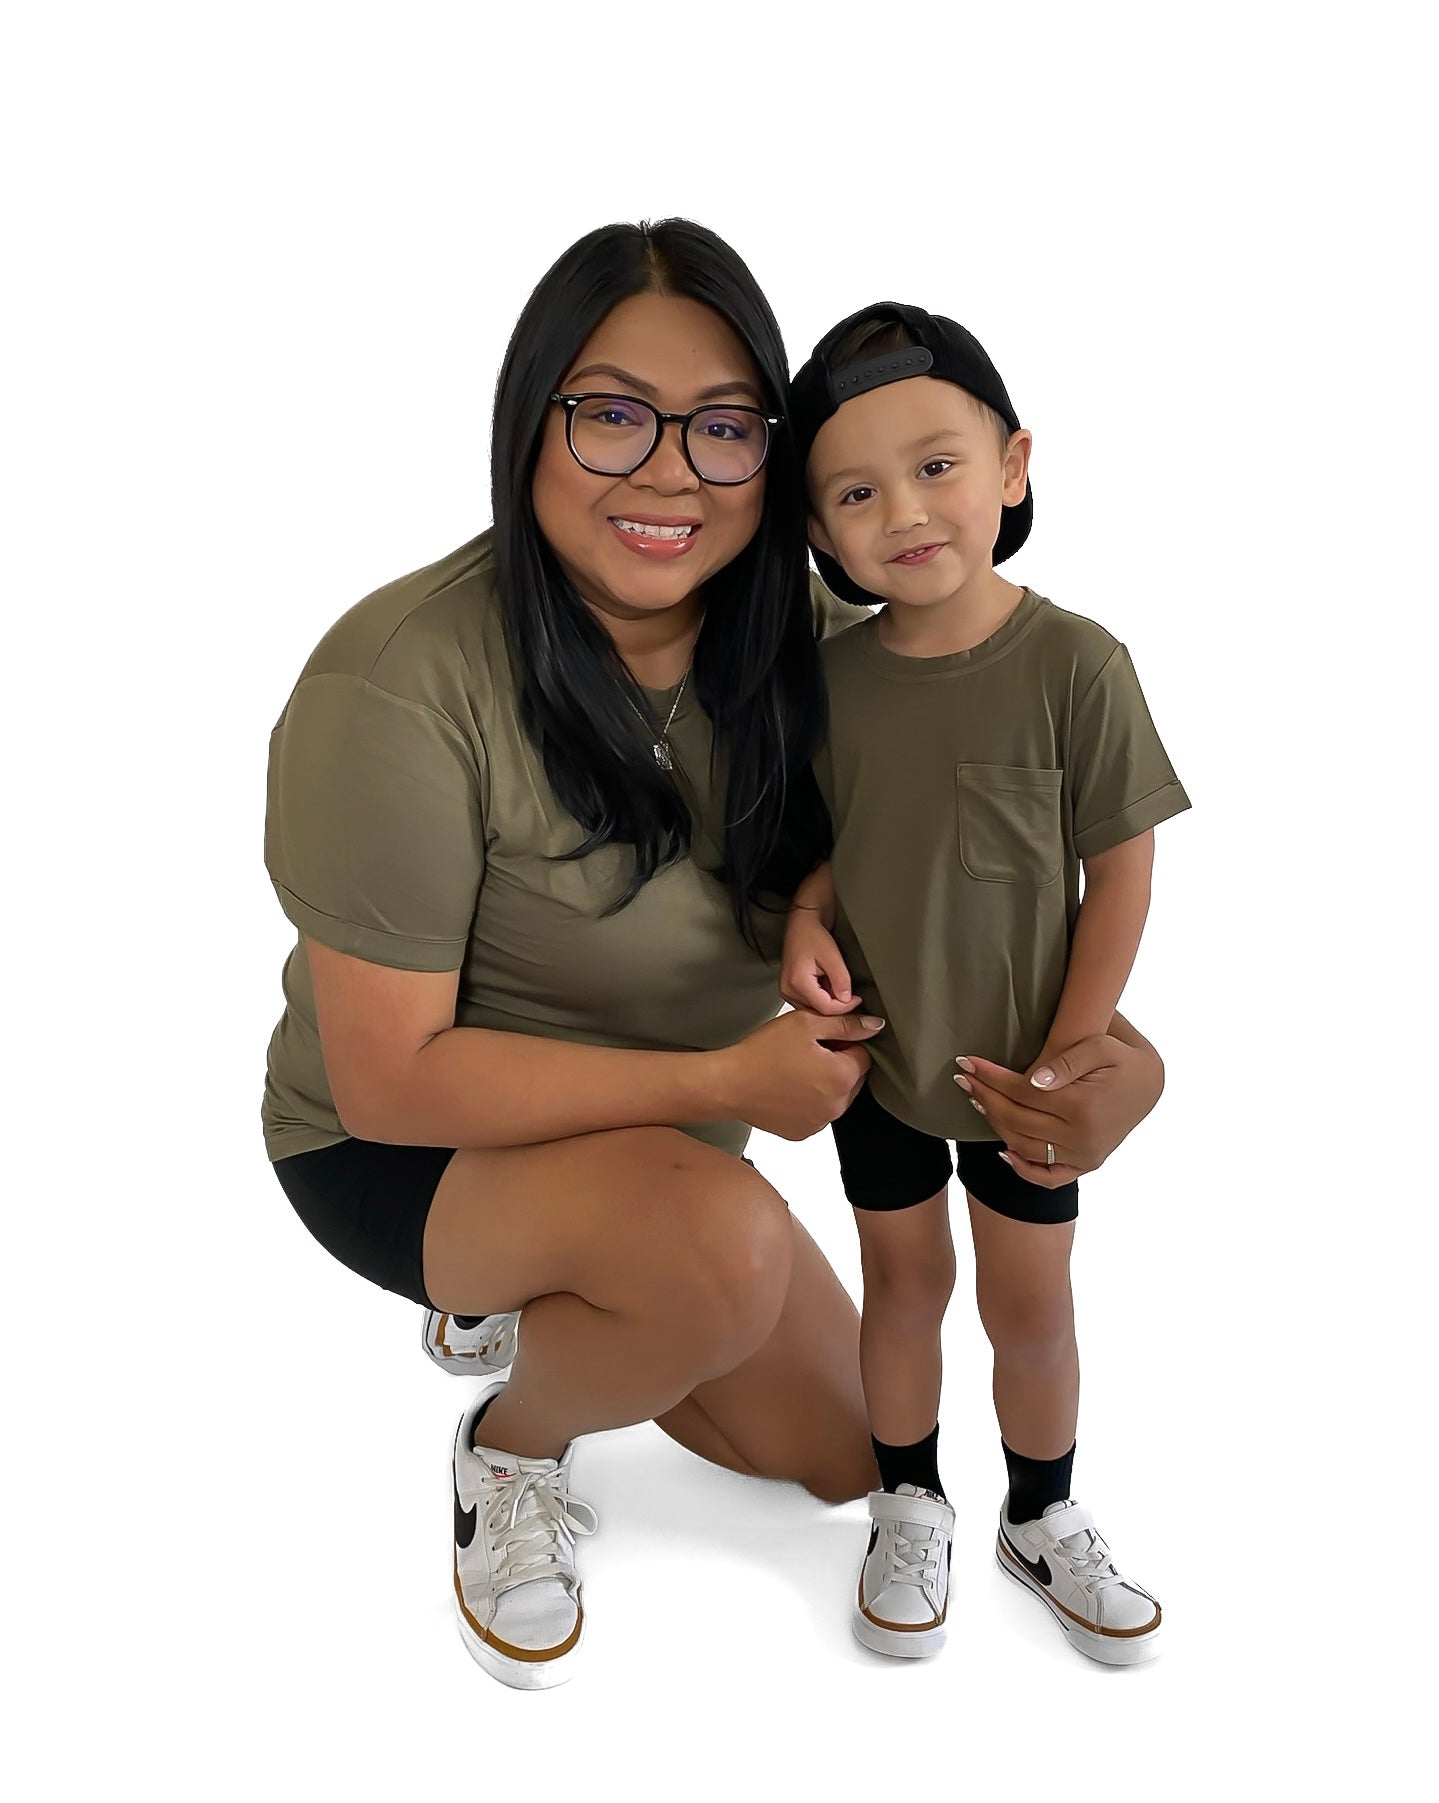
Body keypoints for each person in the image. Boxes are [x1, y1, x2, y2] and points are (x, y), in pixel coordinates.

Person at [262, 222, 1171, 1692]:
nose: (671, 472)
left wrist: (1116, 1065)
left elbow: (988, 880)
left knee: (846, 1453)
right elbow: (386, 1079)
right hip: (404, 1146)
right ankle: (512, 1445)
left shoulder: (831, 651)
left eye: (726, 426)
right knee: (721, 1262)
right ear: (528, 419)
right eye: (613, 414)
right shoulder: (397, 684)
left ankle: (588, 1274)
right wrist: (725, 1080)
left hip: (665, 1149)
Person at [781, 303, 1190, 1665]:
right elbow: (837, 847)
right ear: (819, 528)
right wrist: (805, 916)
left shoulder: (1078, 664)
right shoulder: (831, 683)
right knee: (901, 1286)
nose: (903, 510)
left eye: (937, 465)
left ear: (1013, 466)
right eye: (856, 492)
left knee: (1031, 1305)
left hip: (1023, 1069)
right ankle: (908, 1502)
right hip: (881, 1059)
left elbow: (1119, 871)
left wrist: (1068, 1063)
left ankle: (1042, 1514)